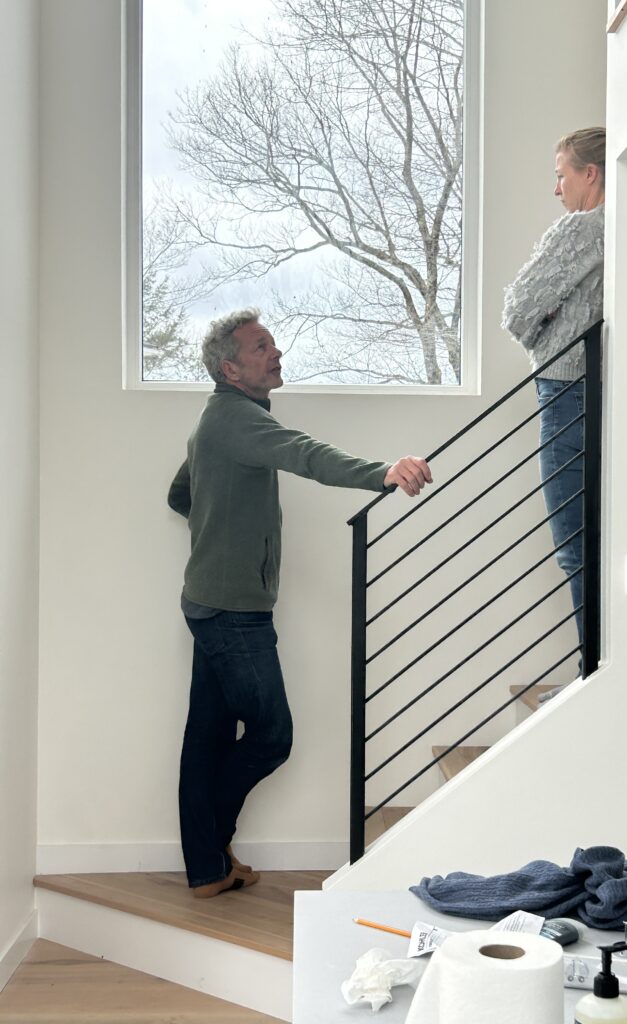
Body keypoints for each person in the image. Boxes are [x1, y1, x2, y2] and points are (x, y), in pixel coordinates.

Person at [168, 308, 431, 897]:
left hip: (209, 598)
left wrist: (224, 532)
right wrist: (384, 473)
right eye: (262, 347)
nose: (276, 352)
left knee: (207, 737)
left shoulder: (220, 419)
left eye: (272, 343)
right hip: (233, 610)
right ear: (231, 369)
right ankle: (210, 843)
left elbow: (179, 493)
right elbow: (305, 453)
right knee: (271, 736)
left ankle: (208, 868)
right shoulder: (236, 419)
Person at [501, 127, 605, 693]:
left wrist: (543, 335)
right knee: (594, 538)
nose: (556, 187)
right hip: (593, 391)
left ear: (591, 173)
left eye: (562, 173)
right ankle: (600, 666)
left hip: (564, 392)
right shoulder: (625, 230)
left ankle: (593, 674)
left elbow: (517, 310)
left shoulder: (581, 229)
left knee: (572, 541)